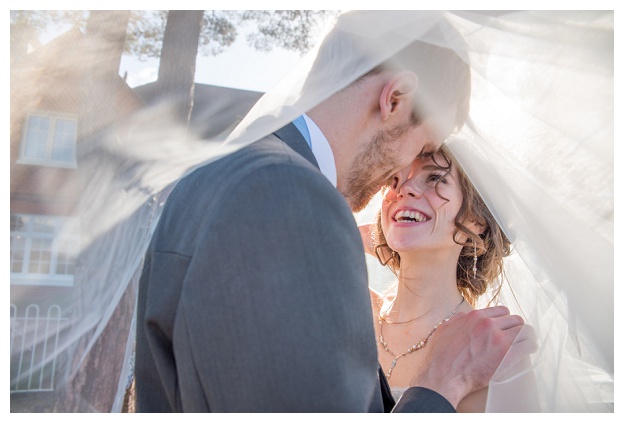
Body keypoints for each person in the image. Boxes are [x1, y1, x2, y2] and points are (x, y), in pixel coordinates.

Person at [135, 12, 528, 412]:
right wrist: (440, 385)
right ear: (394, 99)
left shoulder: (214, 180)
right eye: (423, 146)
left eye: (432, 168)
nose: (403, 180)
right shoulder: (291, 197)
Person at [359, 146, 540, 412]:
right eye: (395, 178)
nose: (404, 189)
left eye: (435, 178)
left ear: (477, 220)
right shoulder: (347, 306)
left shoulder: (493, 350)